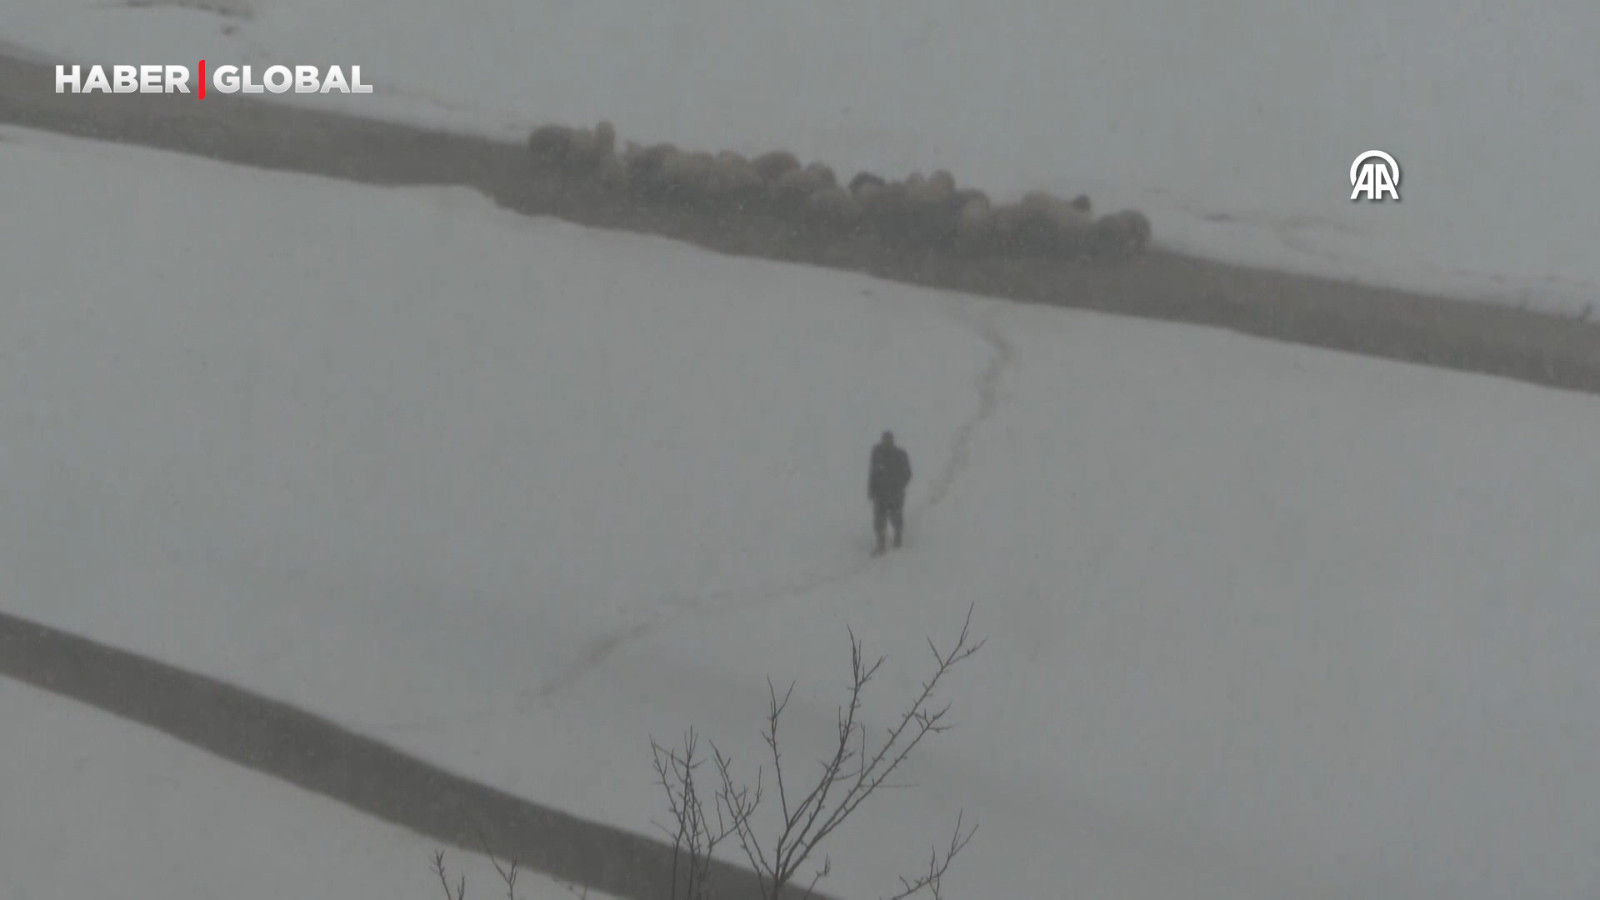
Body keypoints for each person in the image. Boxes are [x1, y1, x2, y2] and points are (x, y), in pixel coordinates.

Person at [868, 431, 912, 555]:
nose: (886, 442)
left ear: (892, 441)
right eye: (884, 440)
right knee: (879, 521)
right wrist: (871, 490)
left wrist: (899, 486)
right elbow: (872, 472)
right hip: (880, 494)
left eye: (888, 440)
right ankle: (880, 545)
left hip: (895, 494)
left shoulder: (900, 455)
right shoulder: (877, 452)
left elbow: (908, 474)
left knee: (896, 518)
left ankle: (898, 540)